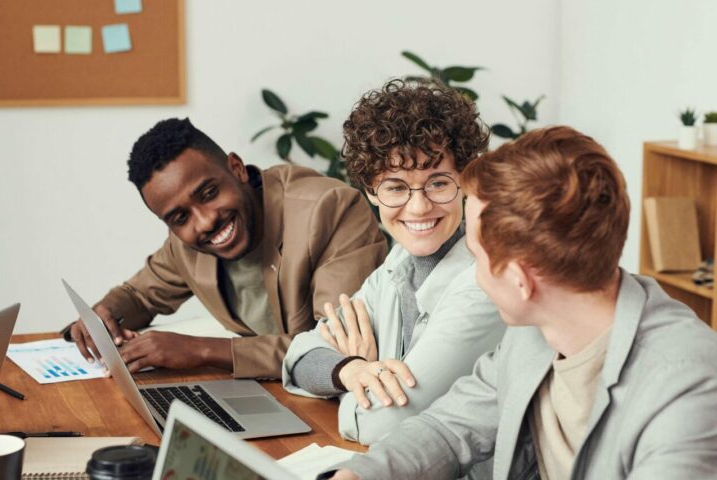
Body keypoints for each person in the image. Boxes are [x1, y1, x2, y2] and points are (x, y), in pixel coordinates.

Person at [326, 126, 717, 479]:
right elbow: (446, 431)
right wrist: (358, 476)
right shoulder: (532, 334)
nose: (471, 270)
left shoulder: (687, 386)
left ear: (520, 281)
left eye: (476, 256)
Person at [63, 118, 387, 379]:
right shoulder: (185, 244)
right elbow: (138, 296)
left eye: (208, 193)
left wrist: (203, 351)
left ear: (236, 168)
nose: (203, 222)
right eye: (179, 217)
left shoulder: (328, 209)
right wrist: (105, 315)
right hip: (274, 394)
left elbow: (336, 348)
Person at [282, 80, 505, 446]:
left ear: (465, 181)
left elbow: (380, 426)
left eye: (437, 183)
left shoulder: (483, 286)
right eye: (396, 187)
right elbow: (299, 354)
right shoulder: (397, 265)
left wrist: (344, 379)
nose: (418, 207)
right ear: (371, 191)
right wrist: (352, 369)